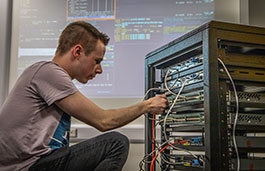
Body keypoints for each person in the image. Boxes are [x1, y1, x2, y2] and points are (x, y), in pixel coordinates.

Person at [0, 21, 167, 171]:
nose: (100, 69)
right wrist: (146, 106)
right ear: (77, 51)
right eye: (97, 61)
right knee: (116, 143)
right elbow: (104, 121)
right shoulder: (48, 71)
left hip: (35, 163)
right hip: (28, 166)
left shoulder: (47, 75)